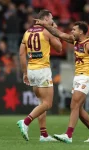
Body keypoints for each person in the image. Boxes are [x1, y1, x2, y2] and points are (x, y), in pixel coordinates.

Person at [35, 20, 89, 143]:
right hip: (78, 77)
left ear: (81, 31)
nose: (72, 31)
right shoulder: (75, 40)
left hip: (86, 77)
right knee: (79, 109)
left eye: (74, 30)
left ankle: (68, 135)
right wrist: (44, 24)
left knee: (74, 105)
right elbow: (59, 34)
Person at [17, 10, 62, 142]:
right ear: (46, 18)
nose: (52, 21)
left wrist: (25, 72)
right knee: (48, 104)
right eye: (51, 18)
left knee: (41, 103)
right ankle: (25, 122)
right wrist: (55, 31)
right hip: (42, 70)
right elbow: (59, 48)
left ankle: (43, 135)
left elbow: (21, 54)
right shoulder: (47, 31)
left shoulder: (27, 32)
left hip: (31, 70)